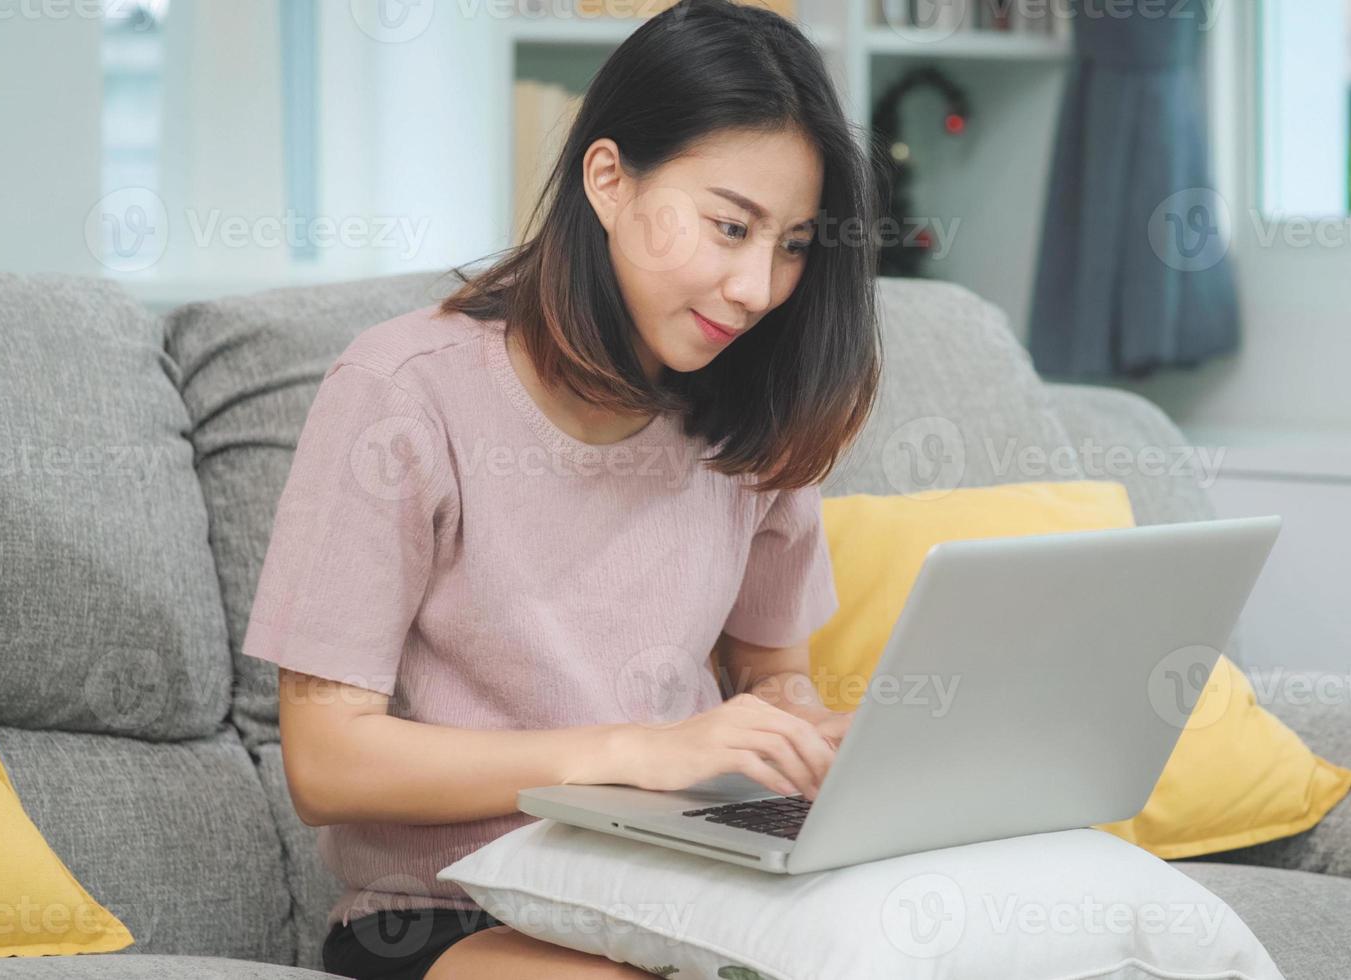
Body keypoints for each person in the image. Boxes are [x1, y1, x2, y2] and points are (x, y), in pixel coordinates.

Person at [241, 1, 883, 976]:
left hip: (688, 887)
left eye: (792, 243)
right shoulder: (403, 393)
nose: (757, 286)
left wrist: (807, 739)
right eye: (728, 225)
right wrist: (629, 750)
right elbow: (326, 760)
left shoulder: (756, 410)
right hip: (449, 910)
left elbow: (771, 677)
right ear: (608, 179)